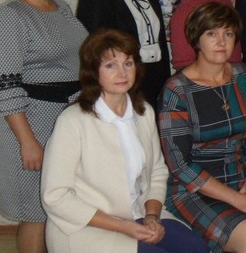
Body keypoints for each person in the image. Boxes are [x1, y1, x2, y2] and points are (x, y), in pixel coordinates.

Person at [41, 29, 207, 253]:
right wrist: (123, 227)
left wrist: (152, 216)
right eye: (111, 65)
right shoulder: (72, 121)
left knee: (196, 247)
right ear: (93, 72)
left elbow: (157, 171)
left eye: (128, 63)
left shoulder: (143, 112)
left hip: (138, 214)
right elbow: (55, 197)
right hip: (86, 227)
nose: (122, 73)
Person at [159, 2, 246, 253]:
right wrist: (238, 201)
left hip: (241, 178)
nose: (221, 41)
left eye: (228, 34)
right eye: (212, 33)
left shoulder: (244, 76)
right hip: (194, 188)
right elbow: (180, 165)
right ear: (196, 39)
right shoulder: (177, 90)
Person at [0, 0, 88, 253]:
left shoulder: (63, 9)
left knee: (63, 206)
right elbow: (6, 88)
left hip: (67, 120)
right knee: (35, 212)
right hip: (29, 123)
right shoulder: (7, 17)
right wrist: (27, 142)